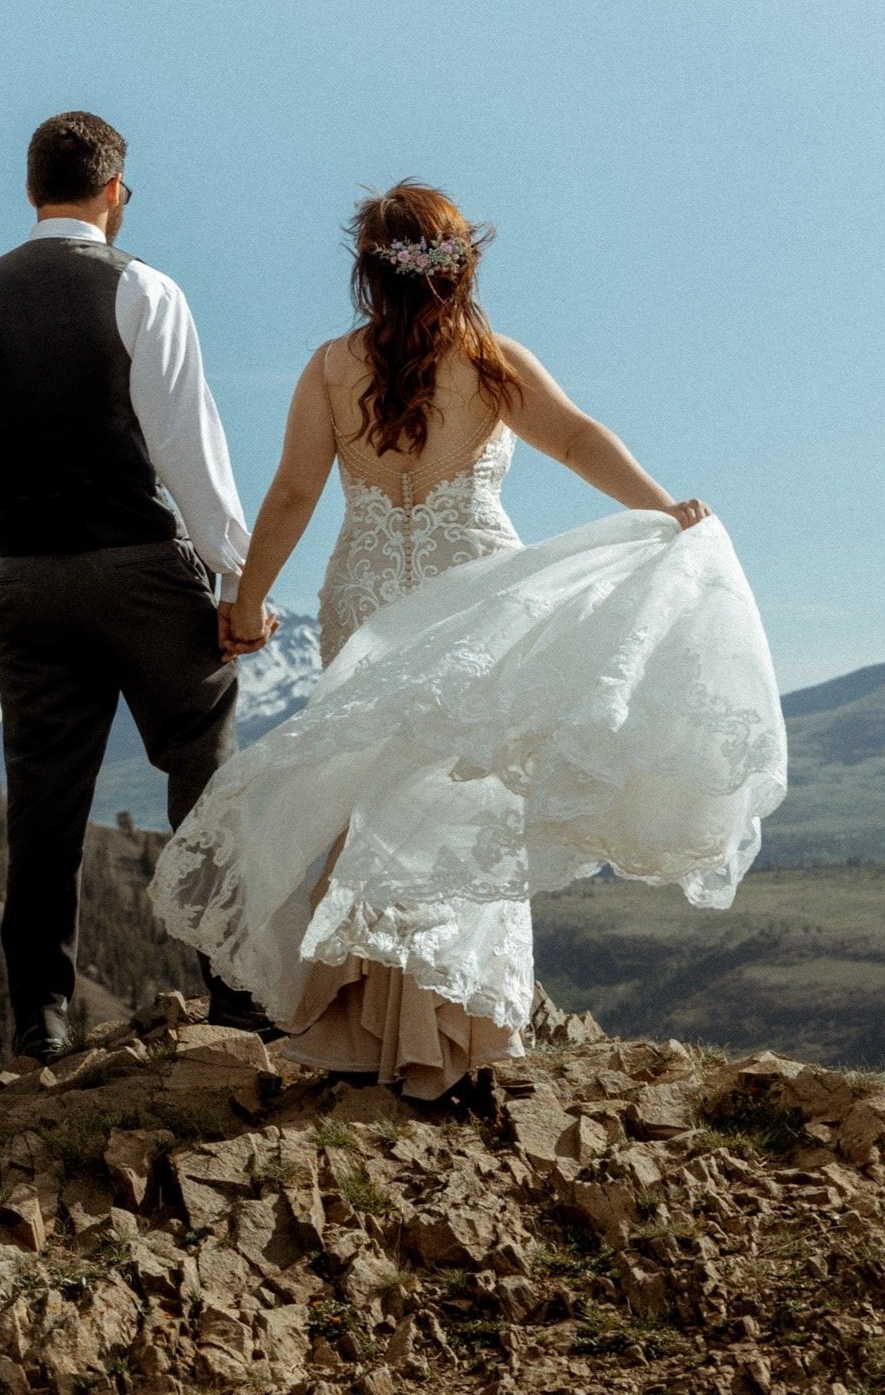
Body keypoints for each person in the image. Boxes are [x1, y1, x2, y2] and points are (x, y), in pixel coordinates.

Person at [149, 179, 787, 1099]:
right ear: (461, 265)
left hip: (364, 597)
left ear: (369, 274)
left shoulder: (331, 367)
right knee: (467, 802)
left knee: (368, 796)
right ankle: (452, 1032)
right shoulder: (489, 360)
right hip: (477, 593)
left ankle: (360, 1023)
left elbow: (293, 494)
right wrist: (662, 507)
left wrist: (246, 603)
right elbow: (574, 438)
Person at [0, 109, 274, 1061]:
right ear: (115, 191)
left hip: (27, 580)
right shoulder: (146, 291)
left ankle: (39, 1023)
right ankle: (235, 995)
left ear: (33, 190)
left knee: (44, 807)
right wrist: (238, 581)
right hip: (141, 570)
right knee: (204, 770)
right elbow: (187, 449)